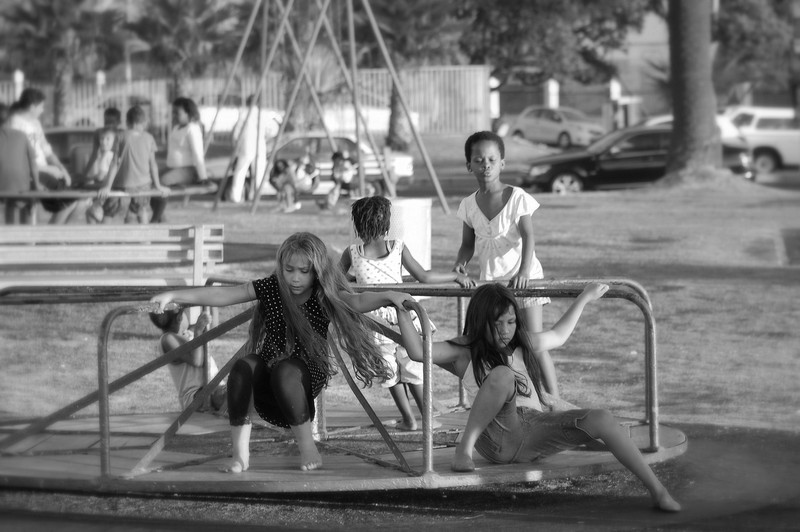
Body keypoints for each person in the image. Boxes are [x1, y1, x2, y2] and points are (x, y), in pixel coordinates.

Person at [395, 282, 681, 512]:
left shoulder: (522, 344)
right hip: (497, 437)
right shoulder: (462, 351)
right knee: (503, 375)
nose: (506, 331)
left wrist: (584, 298)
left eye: (510, 322)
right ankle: (463, 451)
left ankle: (658, 491)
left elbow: (558, 335)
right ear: (480, 322)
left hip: (535, 431)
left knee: (602, 418)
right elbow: (418, 351)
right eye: (498, 324)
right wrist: (402, 308)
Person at [150, 232, 413, 473]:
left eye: (303, 271)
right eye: (288, 270)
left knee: (286, 370)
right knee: (244, 366)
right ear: (281, 268)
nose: (295, 278)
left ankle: (307, 446)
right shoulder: (271, 287)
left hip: (305, 374)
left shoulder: (324, 292)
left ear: (317, 272)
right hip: (270, 371)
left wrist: (390, 294)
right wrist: (176, 295)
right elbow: (226, 295)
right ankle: (240, 455)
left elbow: (356, 301)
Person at [339, 196, 472, 431]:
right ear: (387, 224)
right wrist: (454, 276)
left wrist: (354, 279)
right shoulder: (397, 247)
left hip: (373, 322)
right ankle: (427, 418)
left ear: (357, 225)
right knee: (414, 369)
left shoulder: (352, 253)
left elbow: (336, 280)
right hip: (404, 316)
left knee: (389, 373)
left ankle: (409, 419)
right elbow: (424, 277)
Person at [454, 131, 558, 398]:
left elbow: (528, 236)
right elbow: (467, 244)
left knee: (534, 342)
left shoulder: (517, 197)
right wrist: (460, 265)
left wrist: (524, 272)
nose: (485, 165)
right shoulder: (468, 205)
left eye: (491, 159)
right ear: (469, 166)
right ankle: (525, 398)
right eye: (478, 160)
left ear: (502, 163)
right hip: (495, 285)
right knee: (505, 345)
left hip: (525, 279)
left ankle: (554, 399)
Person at [8, 88, 77, 224]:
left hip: (44, 171)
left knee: (79, 202)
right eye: (41, 106)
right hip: (31, 173)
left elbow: (47, 151)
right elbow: (18, 159)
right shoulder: (15, 123)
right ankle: (48, 238)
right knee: (70, 201)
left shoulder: (36, 123)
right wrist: (48, 170)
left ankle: (53, 238)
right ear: (32, 106)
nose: (42, 110)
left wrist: (62, 169)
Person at [97, 105, 168, 224]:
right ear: (144, 122)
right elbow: (153, 165)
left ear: (127, 121)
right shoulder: (149, 138)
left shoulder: (121, 136)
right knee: (140, 211)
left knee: (108, 212)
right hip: (143, 184)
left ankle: (102, 241)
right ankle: (145, 241)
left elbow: (114, 163)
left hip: (121, 183)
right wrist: (158, 185)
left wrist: (107, 187)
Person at [149, 306, 227, 414]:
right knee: (233, 393)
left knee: (241, 386)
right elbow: (197, 361)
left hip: (213, 388)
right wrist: (198, 332)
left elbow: (212, 325)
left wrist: (212, 302)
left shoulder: (188, 333)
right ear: (180, 317)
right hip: (195, 395)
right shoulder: (168, 339)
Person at [151, 97, 207, 223]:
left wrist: (203, 177)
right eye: (173, 112)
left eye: (178, 112)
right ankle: (161, 217)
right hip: (172, 168)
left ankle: (154, 220)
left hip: (187, 170)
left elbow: (198, 154)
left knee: (161, 182)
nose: (174, 115)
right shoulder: (176, 128)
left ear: (189, 113)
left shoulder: (192, 129)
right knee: (151, 181)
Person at [0, 102, 39, 224]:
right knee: (24, 202)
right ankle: (28, 240)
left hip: (2, 186)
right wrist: (37, 186)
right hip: (21, 188)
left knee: (9, 205)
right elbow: (33, 163)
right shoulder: (21, 136)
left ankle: (10, 236)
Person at [228, 94, 271, 203]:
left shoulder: (244, 113)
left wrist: (235, 144)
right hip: (260, 147)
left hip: (247, 146)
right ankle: (255, 195)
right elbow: (269, 131)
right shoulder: (263, 114)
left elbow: (236, 131)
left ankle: (236, 196)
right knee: (258, 173)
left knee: (240, 171)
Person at [84, 128, 119, 223]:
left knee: (94, 215)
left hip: (106, 192)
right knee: (96, 215)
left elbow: (100, 175)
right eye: (102, 138)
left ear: (114, 142)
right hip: (104, 190)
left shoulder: (108, 154)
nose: (104, 142)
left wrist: (91, 179)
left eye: (108, 139)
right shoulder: (100, 153)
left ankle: (99, 237)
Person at [81, 107, 124, 185]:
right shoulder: (99, 133)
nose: (109, 125)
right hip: (107, 174)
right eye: (106, 122)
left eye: (112, 122)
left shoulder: (122, 134)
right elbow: (94, 154)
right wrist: (85, 174)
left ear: (118, 122)